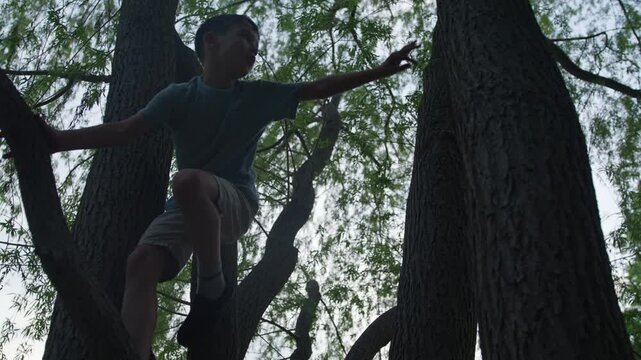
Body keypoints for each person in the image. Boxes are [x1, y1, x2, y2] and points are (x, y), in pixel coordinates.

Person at [40, 13, 418, 359]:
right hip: (188, 206)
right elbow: (124, 131)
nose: (254, 48)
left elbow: (316, 87)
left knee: (187, 181)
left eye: (257, 43)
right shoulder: (179, 96)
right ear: (211, 41)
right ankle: (133, 353)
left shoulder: (256, 96)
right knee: (140, 263)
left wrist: (379, 71)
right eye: (245, 37)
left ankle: (212, 286)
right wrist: (56, 140)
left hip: (235, 202)